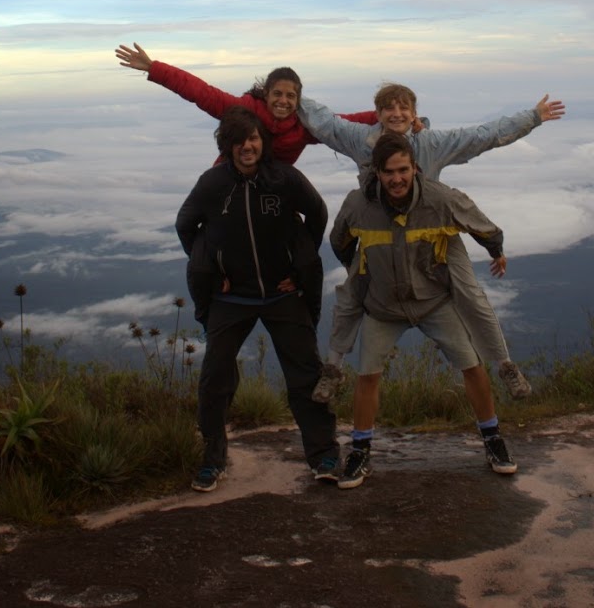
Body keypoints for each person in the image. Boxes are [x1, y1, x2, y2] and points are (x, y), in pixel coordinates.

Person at [302, 83, 565, 401]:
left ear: (413, 114)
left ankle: (506, 365)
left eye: (403, 108)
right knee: (350, 297)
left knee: (470, 292)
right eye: (389, 108)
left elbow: (482, 136)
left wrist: (532, 117)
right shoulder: (362, 140)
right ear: (379, 113)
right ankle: (333, 369)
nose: (396, 114)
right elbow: (325, 121)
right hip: (381, 229)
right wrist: (283, 92)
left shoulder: (431, 144)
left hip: (434, 227)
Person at [327, 132, 516, 488]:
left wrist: (496, 250)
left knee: (472, 365)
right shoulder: (359, 205)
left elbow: (481, 223)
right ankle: (360, 450)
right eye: (388, 172)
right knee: (367, 375)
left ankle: (493, 440)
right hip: (383, 307)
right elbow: (340, 241)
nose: (397, 179)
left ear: (415, 168)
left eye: (403, 170)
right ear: (377, 174)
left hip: (432, 302)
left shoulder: (439, 199)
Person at [174, 106, 341, 490]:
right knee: (215, 377)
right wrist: (213, 269)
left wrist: (298, 266)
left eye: (252, 138)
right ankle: (212, 458)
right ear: (227, 145)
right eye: (238, 140)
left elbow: (316, 213)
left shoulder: (283, 179)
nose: (246, 146)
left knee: (304, 374)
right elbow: (186, 225)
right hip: (232, 298)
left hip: (282, 294)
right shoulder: (213, 184)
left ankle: (324, 454)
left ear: (262, 142)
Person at [115, 43, 379, 165]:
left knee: (309, 211)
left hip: (272, 186)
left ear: (298, 100)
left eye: (290, 96)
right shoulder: (244, 111)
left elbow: (346, 123)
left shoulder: (305, 125)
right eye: (277, 94)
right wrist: (154, 68)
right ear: (266, 93)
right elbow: (200, 92)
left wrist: (387, 117)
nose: (283, 101)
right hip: (230, 176)